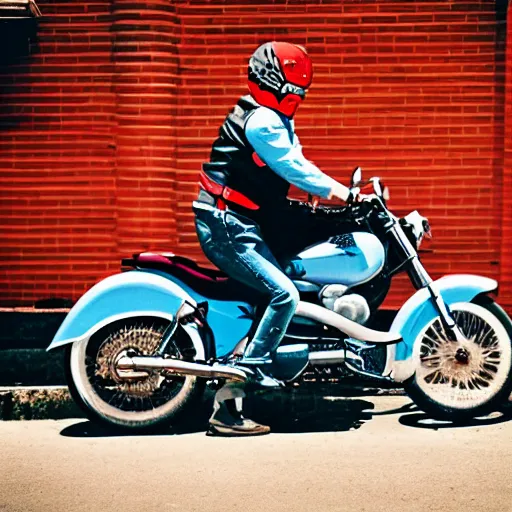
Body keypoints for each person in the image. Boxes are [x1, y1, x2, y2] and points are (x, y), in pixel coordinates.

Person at [192, 41, 357, 436]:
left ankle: (227, 409)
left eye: (301, 92)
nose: (296, 98)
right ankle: (256, 367)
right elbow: (295, 167)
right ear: (272, 83)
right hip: (227, 225)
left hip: (241, 222)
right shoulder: (262, 120)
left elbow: (292, 166)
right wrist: (346, 194)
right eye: (291, 90)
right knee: (285, 293)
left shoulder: (276, 119)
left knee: (276, 290)